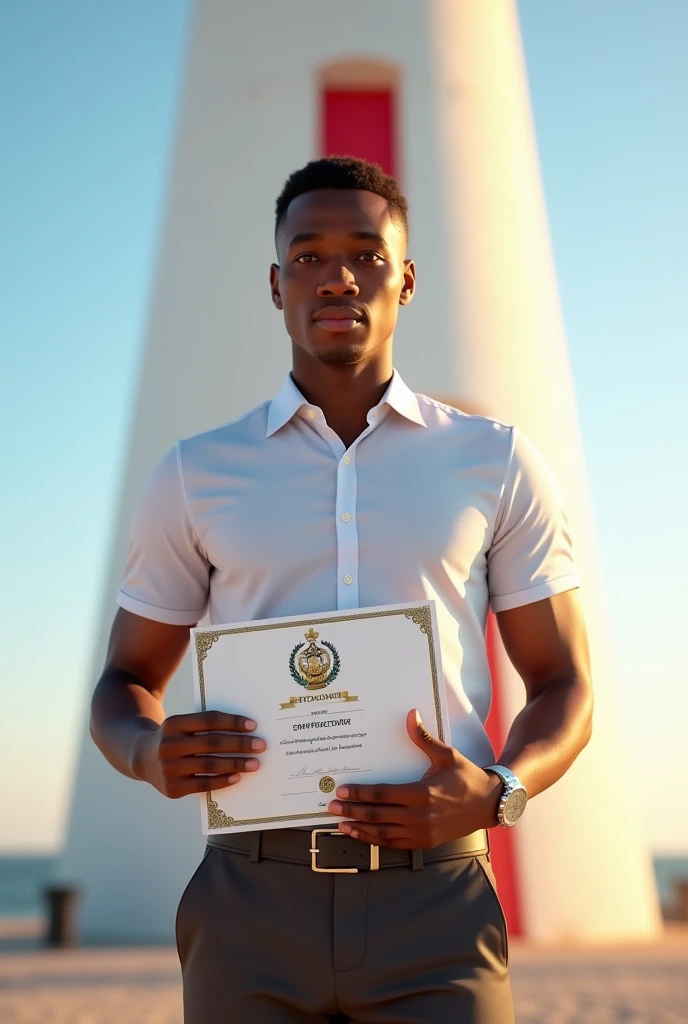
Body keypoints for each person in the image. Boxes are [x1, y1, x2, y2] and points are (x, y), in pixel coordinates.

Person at [91, 157, 593, 1023]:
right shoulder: (195, 473)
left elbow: (565, 685)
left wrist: (502, 788)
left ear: (405, 279)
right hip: (248, 903)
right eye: (311, 255)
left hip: (435, 900)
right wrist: (148, 752)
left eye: (365, 255)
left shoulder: (497, 459)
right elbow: (123, 683)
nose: (339, 277)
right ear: (276, 283)